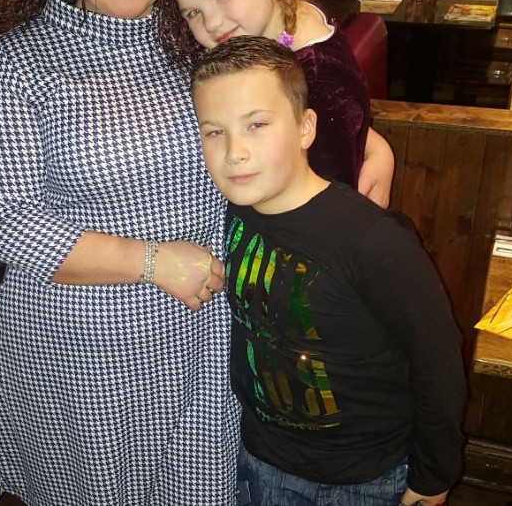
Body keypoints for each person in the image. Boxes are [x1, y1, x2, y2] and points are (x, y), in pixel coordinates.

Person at [0, 0, 239, 504]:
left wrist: (361, 136)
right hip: (82, 354)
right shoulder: (17, 63)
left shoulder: (201, 40)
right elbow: (7, 222)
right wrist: (152, 262)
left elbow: (287, 86)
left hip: (201, 337)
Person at [191, 35, 467, 506]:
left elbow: (436, 355)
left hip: (363, 478)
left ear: (305, 128)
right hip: (262, 460)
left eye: (256, 124)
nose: (234, 151)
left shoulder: (371, 239)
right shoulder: (232, 213)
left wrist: (435, 472)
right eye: (214, 131)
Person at [168, 0, 395, 207]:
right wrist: (376, 146)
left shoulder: (318, 74)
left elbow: (331, 203)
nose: (212, 23)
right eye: (193, 12)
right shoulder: (279, 23)